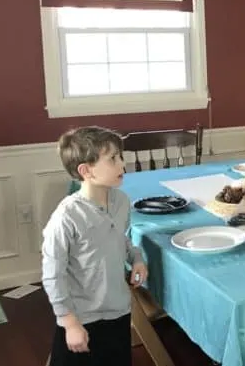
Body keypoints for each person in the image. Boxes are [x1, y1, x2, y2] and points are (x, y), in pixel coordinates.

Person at [41, 126, 148, 366]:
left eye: (120, 156)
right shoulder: (66, 217)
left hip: (118, 311)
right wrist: (69, 323)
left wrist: (137, 258)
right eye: (113, 159)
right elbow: (52, 276)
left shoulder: (121, 201)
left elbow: (120, 238)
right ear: (86, 171)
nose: (122, 164)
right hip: (81, 317)